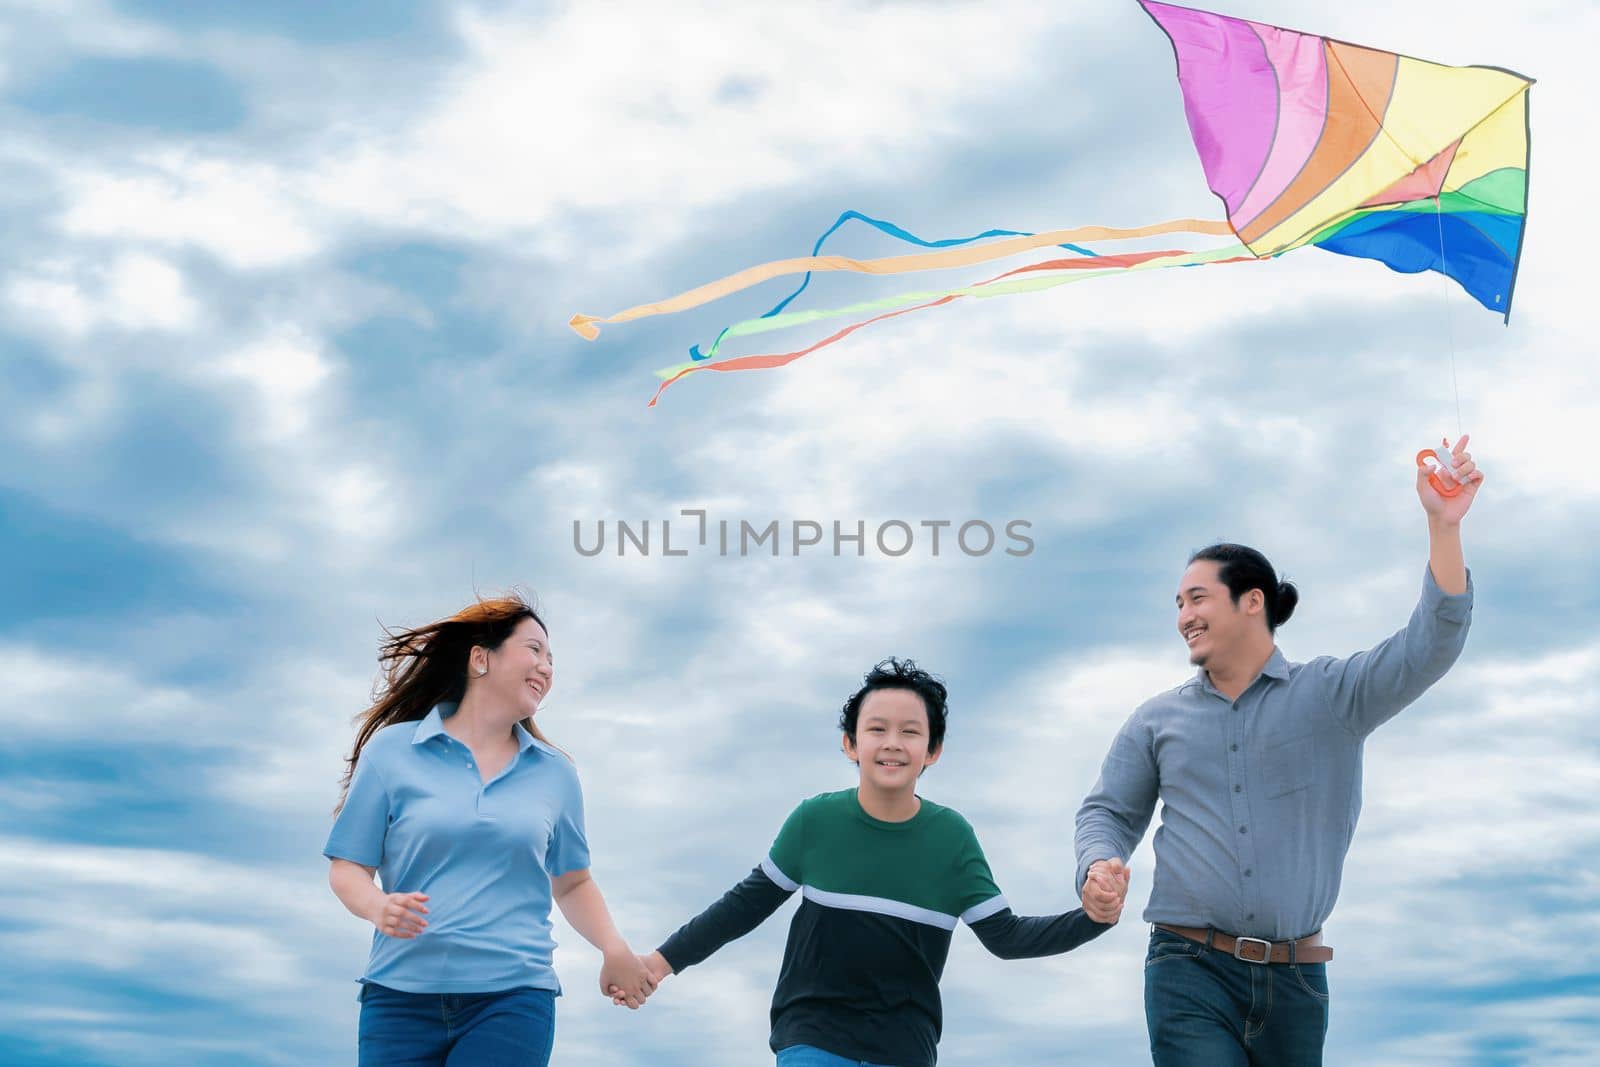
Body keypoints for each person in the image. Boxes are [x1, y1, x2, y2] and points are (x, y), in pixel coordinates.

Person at [1074, 436, 1484, 1065]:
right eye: (1178, 603)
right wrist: (1098, 865)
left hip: (1298, 979)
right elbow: (1106, 813)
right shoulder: (1156, 720)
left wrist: (1442, 527)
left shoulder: (1333, 695)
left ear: (1252, 601)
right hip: (1187, 970)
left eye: (1198, 598)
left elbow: (1429, 645)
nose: (1183, 615)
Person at [626, 658, 1113, 1067]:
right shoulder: (815, 821)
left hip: (904, 1047)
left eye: (910, 731)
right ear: (851, 744)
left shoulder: (952, 839)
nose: (892, 743)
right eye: (876, 729)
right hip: (810, 1037)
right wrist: (660, 962)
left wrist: (1094, 918)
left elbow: (1007, 938)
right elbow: (743, 906)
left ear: (933, 750)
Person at [324, 593, 655, 1066]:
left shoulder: (555, 773)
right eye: (534, 649)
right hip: (398, 999)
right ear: (480, 659)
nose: (546, 666)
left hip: (512, 999)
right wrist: (378, 906)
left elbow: (573, 881)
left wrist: (614, 947)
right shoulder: (393, 752)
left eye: (552, 658)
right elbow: (347, 868)